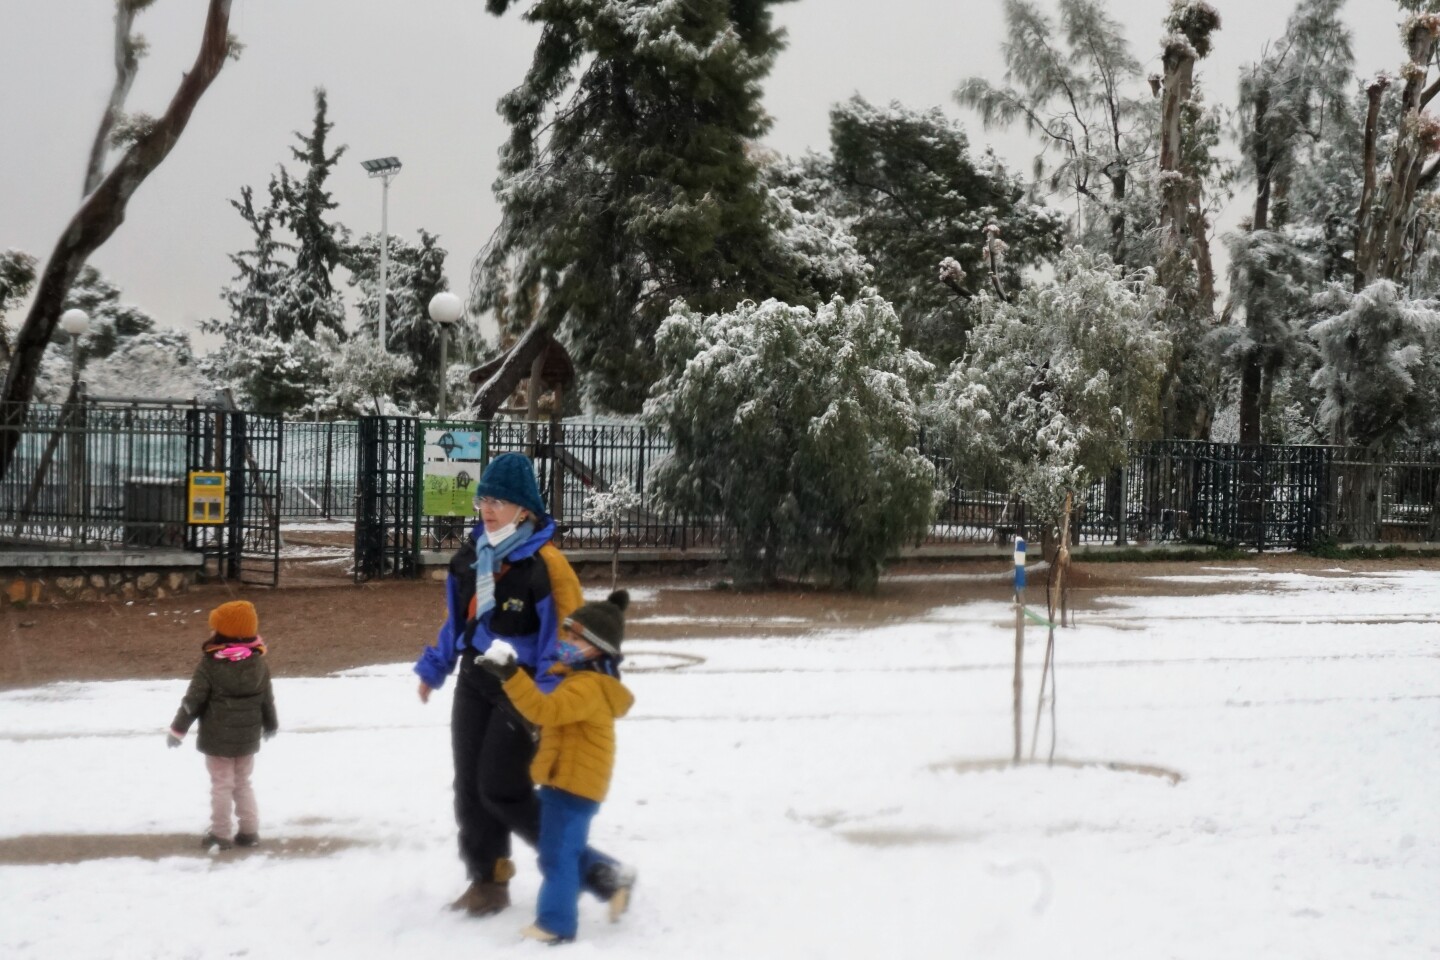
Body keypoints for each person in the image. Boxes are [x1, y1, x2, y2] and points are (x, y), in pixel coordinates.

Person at [414, 452, 634, 918]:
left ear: (525, 510)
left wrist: (556, 702)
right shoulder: (472, 556)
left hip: (522, 687)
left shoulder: (547, 566)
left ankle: (598, 871)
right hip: (476, 677)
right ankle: (487, 881)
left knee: (501, 788)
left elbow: (570, 635)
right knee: (469, 786)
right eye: (483, 499)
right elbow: (459, 621)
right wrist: (436, 666)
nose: (487, 509)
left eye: (499, 501)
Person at [476, 589, 634, 945]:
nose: (566, 641)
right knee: (561, 849)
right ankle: (610, 877)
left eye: (575, 637)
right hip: (567, 781)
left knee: (556, 858)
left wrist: (511, 676)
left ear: (597, 647)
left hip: (574, 785)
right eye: (566, 633)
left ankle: (555, 925)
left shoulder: (588, 688)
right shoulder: (580, 681)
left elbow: (545, 711)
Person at [166, 600, 278, 851]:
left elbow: (192, 701)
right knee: (243, 782)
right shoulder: (259, 662)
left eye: (215, 628)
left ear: (224, 632)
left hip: (218, 739)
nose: (210, 632)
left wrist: (177, 730)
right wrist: (271, 724)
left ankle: (220, 834)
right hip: (247, 739)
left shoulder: (211, 665)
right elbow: (266, 698)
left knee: (222, 785)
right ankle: (249, 831)